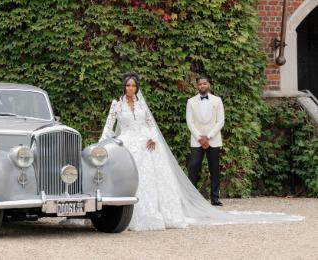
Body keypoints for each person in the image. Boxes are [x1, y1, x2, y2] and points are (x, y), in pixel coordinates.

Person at [99, 71, 304, 231]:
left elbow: (150, 124)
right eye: (128, 85)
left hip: (147, 143)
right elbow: (109, 127)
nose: (131, 88)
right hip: (127, 142)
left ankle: (160, 214)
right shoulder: (117, 105)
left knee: (154, 179)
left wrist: (152, 137)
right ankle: (124, 216)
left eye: (134, 85)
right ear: (124, 87)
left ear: (137, 87)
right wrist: (102, 146)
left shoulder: (142, 104)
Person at [186, 76, 224, 206]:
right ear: (197, 86)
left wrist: (208, 137)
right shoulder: (190, 101)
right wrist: (200, 138)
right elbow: (189, 122)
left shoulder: (217, 100)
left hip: (213, 139)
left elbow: (220, 121)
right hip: (197, 140)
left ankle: (215, 198)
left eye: (204, 83)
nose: (202, 86)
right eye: (200, 84)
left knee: (214, 169)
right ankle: (192, 198)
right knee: (193, 167)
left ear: (208, 85)